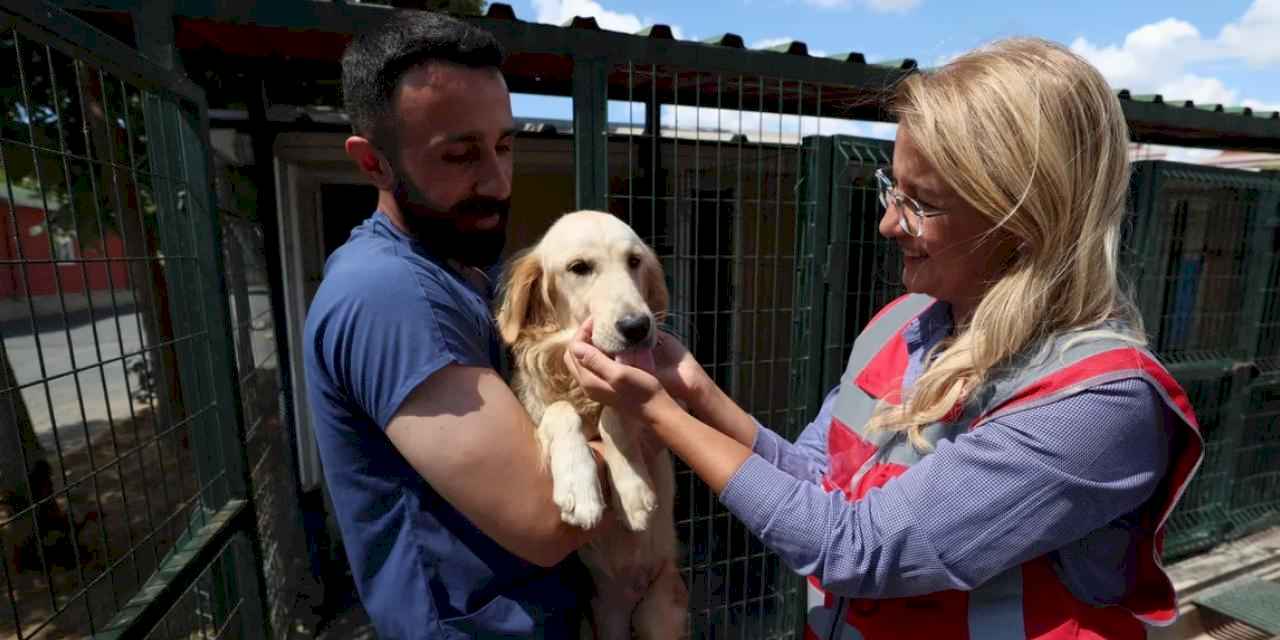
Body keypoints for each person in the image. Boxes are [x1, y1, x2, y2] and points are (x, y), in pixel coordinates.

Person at [564, 37, 1203, 639]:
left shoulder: (1097, 404)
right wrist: (696, 393)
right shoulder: (902, 325)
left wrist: (652, 410)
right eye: (890, 188)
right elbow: (818, 481)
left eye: (919, 202)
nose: (886, 221)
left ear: (1021, 219)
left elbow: (855, 547)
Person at [304, 13, 608, 639]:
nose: (497, 181)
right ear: (373, 165)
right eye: (461, 155)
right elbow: (549, 520)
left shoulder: (461, 264)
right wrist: (656, 426)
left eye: (504, 144)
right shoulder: (390, 294)